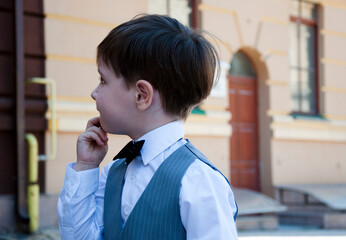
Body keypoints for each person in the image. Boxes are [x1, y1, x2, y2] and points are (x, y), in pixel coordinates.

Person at [57, 14, 238, 240]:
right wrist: (86, 166)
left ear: (142, 95)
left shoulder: (199, 181)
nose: (94, 93)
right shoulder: (112, 173)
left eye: (103, 80)